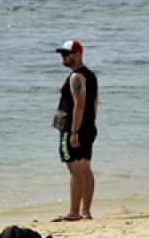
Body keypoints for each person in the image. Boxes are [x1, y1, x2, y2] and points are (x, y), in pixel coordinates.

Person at [54, 39, 99, 222]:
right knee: (85, 169)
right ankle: (85, 211)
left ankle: (74, 212)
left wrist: (74, 132)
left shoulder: (76, 77)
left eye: (66, 54)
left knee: (75, 170)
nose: (63, 58)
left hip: (73, 129)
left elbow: (79, 105)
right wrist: (90, 126)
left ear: (77, 55)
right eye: (62, 54)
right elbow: (95, 102)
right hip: (87, 127)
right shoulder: (90, 75)